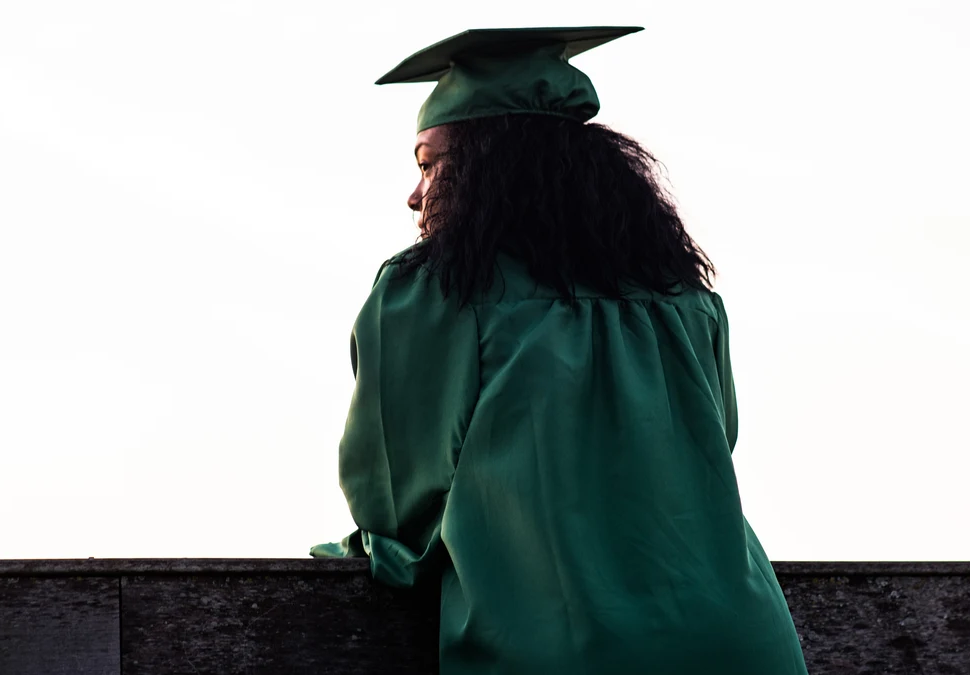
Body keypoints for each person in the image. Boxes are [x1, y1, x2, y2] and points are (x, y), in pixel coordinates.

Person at [312, 26, 809, 675]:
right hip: (744, 647)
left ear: (483, 171)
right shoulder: (683, 297)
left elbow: (397, 507)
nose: (414, 194)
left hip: (564, 653)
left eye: (428, 164)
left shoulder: (435, 294)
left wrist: (368, 549)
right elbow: (709, 455)